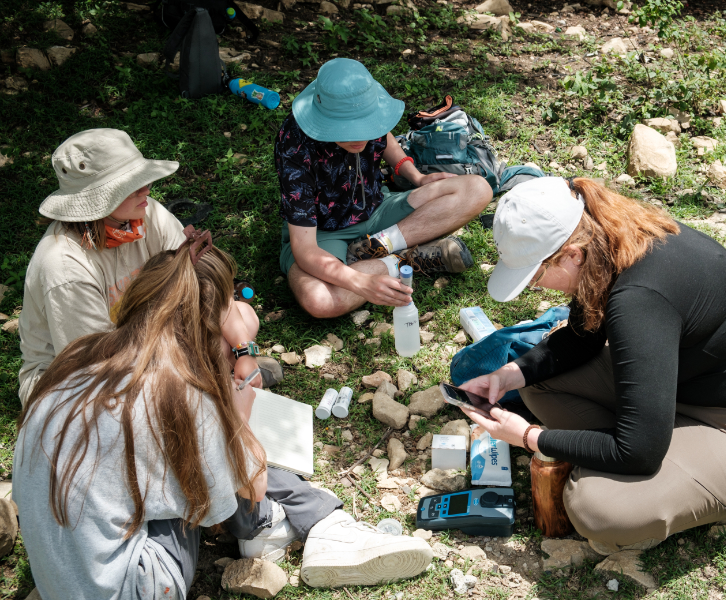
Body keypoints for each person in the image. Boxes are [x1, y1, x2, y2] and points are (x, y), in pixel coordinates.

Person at [13, 244, 433, 600]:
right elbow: (244, 486)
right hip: (133, 584)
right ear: (208, 329)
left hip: (63, 574)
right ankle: (306, 526)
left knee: (197, 450)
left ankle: (314, 521)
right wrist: (238, 418)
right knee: (229, 453)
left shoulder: (80, 357)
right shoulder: (179, 396)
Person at [458, 176, 726, 554]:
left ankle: (667, 469)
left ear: (572, 253)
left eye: (537, 277)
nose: (540, 288)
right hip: (687, 387)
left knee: (598, 510)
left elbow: (638, 451)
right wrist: (509, 374)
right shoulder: (620, 241)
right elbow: (581, 337)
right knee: (538, 382)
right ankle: (658, 450)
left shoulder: (640, 300)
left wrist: (527, 437)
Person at [18, 128, 278, 407]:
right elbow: (98, 367)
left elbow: (204, 283)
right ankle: (210, 386)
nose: (146, 189)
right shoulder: (65, 266)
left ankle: (217, 375)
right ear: (96, 201)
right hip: (78, 381)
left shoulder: (146, 214)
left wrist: (243, 351)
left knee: (243, 318)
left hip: (145, 339)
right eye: (130, 186)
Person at [275, 58, 493, 318]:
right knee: (320, 300)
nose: (360, 138)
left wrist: (415, 175)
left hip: (377, 209)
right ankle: (402, 260)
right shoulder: (294, 143)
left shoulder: (369, 118)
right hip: (322, 233)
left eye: (367, 126)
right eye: (347, 130)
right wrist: (360, 283)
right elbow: (305, 249)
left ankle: (377, 248)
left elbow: (384, 136)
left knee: (477, 189)